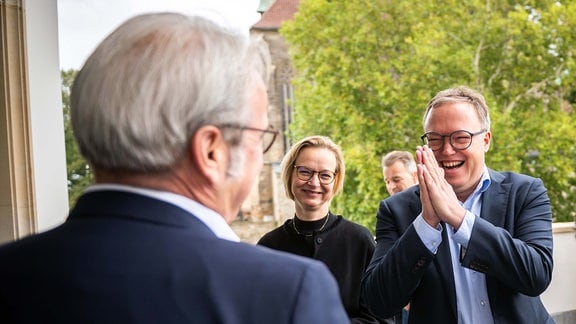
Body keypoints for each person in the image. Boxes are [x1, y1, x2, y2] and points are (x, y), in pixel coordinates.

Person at [0, 13, 349, 323]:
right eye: (259, 137)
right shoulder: (286, 292)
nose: (261, 156)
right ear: (211, 151)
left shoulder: (12, 271)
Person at [362, 86, 554, 323]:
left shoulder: (525, 192)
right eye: (435, 140)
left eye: (461, 138)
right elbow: (378, 302)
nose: (447, 150)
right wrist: (426, 223)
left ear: (485, 140)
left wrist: (459, 218)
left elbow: (536, 275)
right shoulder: (397, 209)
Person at [258, 135, 384, 323]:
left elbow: (380, 317)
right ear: (290, 174)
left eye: (325, 175)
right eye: (304, 172)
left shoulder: (359, 240)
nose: (314, 183)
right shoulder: (269, 246)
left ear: (335, 180)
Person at [380, 150, 419, 324]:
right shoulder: (389, 214)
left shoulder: (437, 207)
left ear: (415, 175)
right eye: (387, 181)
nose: (391, 186)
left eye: (396, 179)